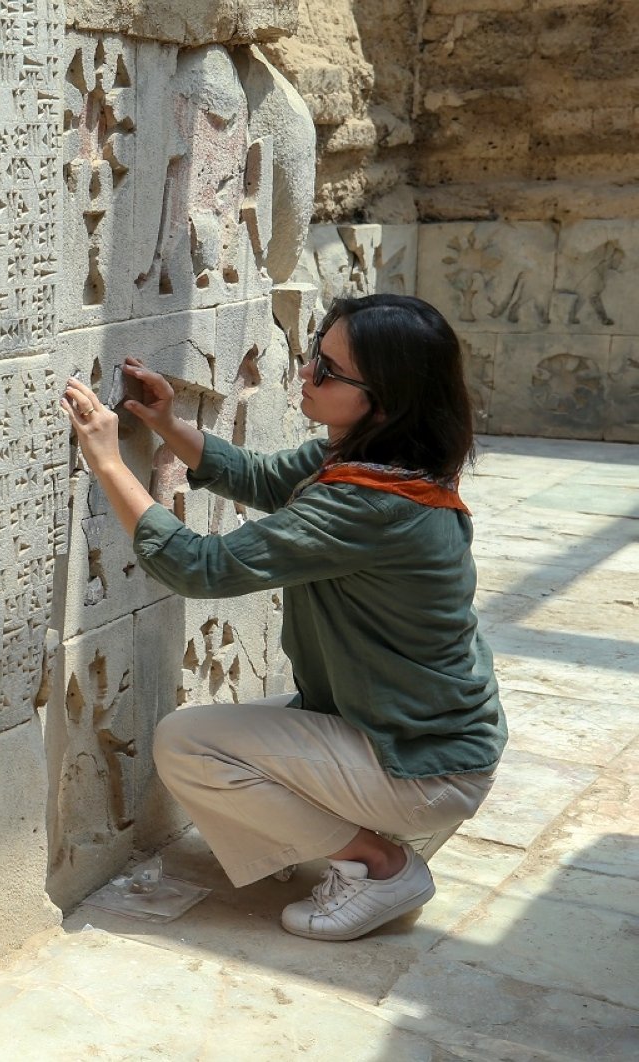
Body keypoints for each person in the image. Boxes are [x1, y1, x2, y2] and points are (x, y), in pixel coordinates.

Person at [59, 293, 506, 942]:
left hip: (426, 762)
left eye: (326, 369)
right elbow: (267, 478)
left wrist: (105, 460)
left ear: (382, 401)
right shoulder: (374, 461)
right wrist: (167, 424)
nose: (304, 374)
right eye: (313, 353)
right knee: (225, 740)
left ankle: (381, 864)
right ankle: (355, 833)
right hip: (416, 734)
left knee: (190, 745)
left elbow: (198, 567)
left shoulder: (370, 505)